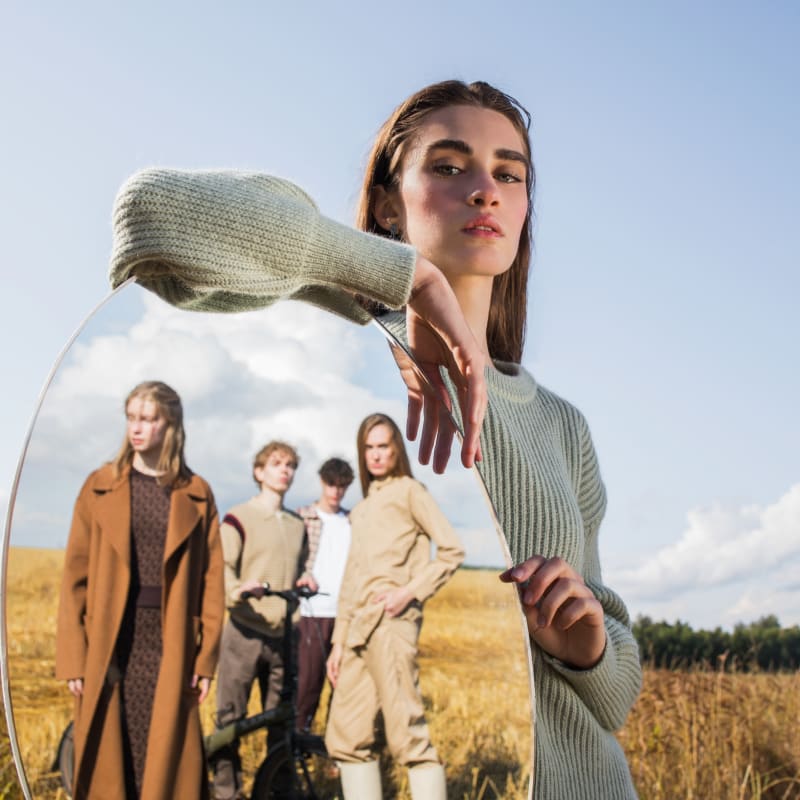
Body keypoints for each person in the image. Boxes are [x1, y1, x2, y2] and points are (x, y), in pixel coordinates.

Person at [109, 79, 643, 798]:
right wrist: (398, 278)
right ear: (389, 203)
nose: (485, 190)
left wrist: (589, 648)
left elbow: (617, 697)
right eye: (449, 166)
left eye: (509, 174)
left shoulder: (561, 426)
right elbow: (150, 217)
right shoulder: (346, 359)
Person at [55, 380, 224, 800]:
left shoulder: (196, 493)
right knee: (113, 758)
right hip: (110, 640)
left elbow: (212, 584)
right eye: (132, 417)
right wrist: (74, 658)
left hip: (170, 642)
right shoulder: (99, 486)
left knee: (164, 756)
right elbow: (74, 578)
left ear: (171, 425)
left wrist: (204, 661)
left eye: (149, 419)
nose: (137, 428)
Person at [324, 413, 464, 798]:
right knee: (346, 735)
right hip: (357, 629)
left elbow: (452, 550)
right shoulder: (363, 508)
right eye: (368, 447)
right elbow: (351, 580)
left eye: (383, 446)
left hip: (391, 622)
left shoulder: (410, 491)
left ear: (396, 449)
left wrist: (408, 593)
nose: (376, 454)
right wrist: (337, 644)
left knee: (407, 733)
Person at [212, 441, 314, 800]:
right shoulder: (238, 517)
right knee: (230, 720)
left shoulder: (297, 524)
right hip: (244, 631)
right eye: (275, 463)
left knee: (281, 722)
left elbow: (299, 567)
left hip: (283, 634)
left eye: (289, 465)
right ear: (259, 472)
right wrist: (239, 590)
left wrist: (305, 580)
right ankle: (227, 793)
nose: (283, 470)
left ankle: (276, 791)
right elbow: (222, 566)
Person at [295, 457, 355, 732]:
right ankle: (299, 744)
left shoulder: (353, 521)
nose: (336, 491)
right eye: (332, 484)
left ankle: (335, 748)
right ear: (322, 482)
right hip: (311, 612)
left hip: (344, 614)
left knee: (343, 685)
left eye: (342, 486)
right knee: (307, 684)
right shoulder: (302, 517)